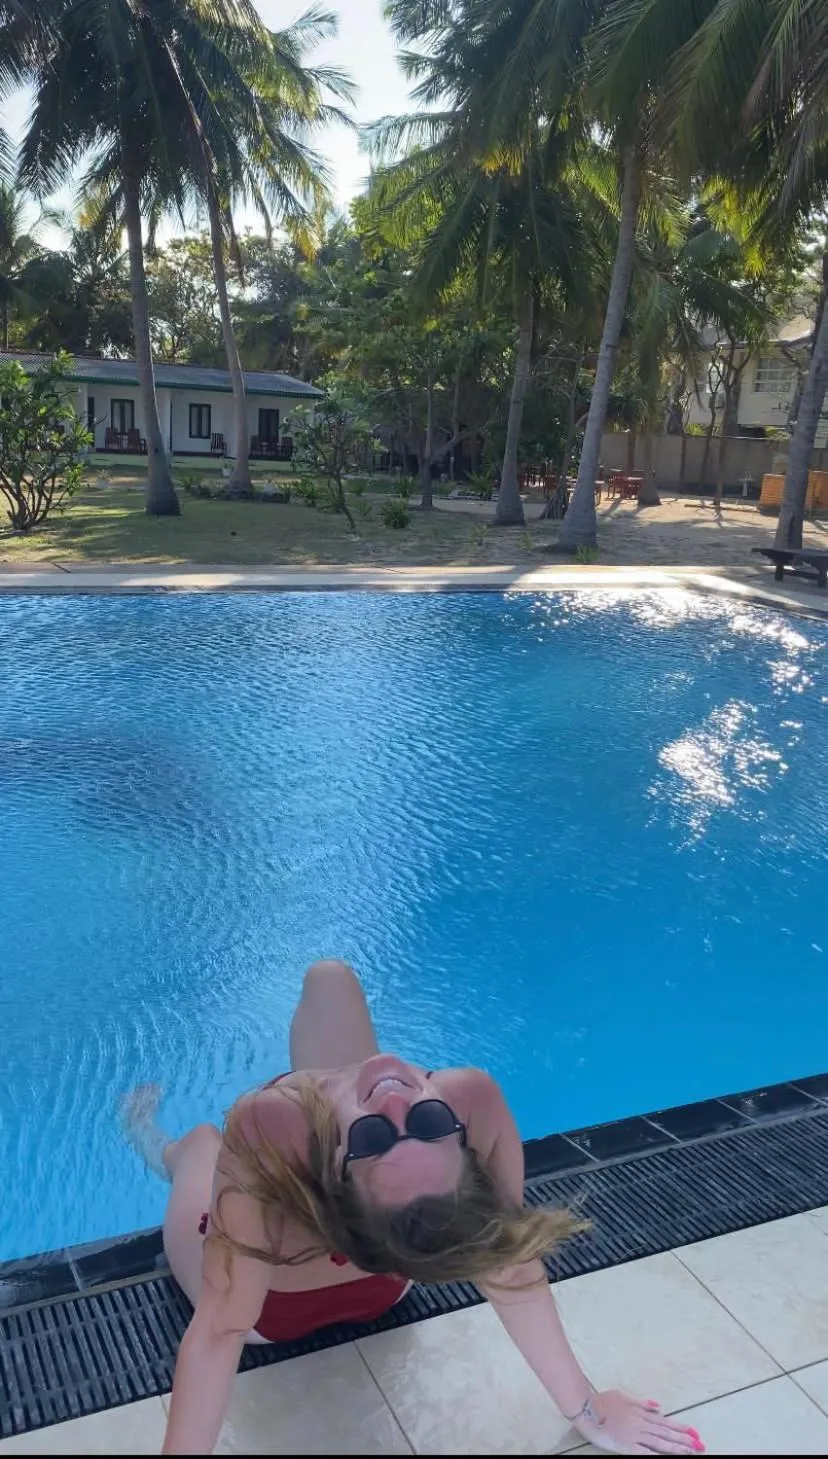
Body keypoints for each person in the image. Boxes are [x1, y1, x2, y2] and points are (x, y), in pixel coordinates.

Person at [123, 960, 705, 1457]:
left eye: (374, 1139)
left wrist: (586, 1412)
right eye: (427, 1124)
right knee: (331, 979)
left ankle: (150, 1135)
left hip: (264, 1319)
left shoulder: (265, 1125)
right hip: (387, 1288)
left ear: (331, 1175)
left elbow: (223, 1326)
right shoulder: (467, 1097)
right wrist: (588, 1407)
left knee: (202, 1148)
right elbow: (505, 1254)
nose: (396, 1100)